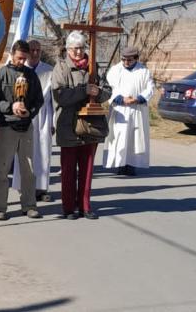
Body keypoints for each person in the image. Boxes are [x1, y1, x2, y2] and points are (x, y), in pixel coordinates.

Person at [50, 31, 110, 219]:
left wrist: (97, 93)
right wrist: (84, 91)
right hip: (68, 126)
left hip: (90, 126)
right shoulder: (61, 67)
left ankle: (85, 206)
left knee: (87, 169)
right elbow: (60, 95)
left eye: (81, 47)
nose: (78, 52)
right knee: (68, 171)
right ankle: (68, 208)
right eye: (75, 48)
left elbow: (107, 91)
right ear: (68, 49)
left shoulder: (94, 67)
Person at [0, 40, 44, 220]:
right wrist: (10, 107)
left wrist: (30, 112)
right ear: (12, 54)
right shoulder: (2, 74)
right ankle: (0, 208)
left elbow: (38, 100)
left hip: (25, 126)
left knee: (28, 168)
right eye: (19, 58)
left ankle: (29, 205)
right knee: (2, 169)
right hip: (7, 126)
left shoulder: (30, 75)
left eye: (24, 59)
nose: (21, 62)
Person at [12, 39, 56, 202]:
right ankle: (24, 187)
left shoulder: (49, 70)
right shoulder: (20, 70)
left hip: (44, 115)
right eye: (32, 50)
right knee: (24, 154)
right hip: (25, 115)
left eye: (38, 50)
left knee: (43, 153)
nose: (35, 53)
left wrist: (53, 122)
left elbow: (53, 99)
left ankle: (41, 188)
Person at [104, 47, 154, 176]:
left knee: (134, 138)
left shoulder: (143, 71)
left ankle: (131, 165)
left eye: (129, 60)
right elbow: (110, 88)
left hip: (137, 109)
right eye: (124, 59)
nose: (126, 62)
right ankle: (120, 164)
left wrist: (138, 99)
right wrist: (121, 99)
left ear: (136, 59)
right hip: (120, 109)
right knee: (120, 136)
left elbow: (150, 88)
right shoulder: (115, 70)